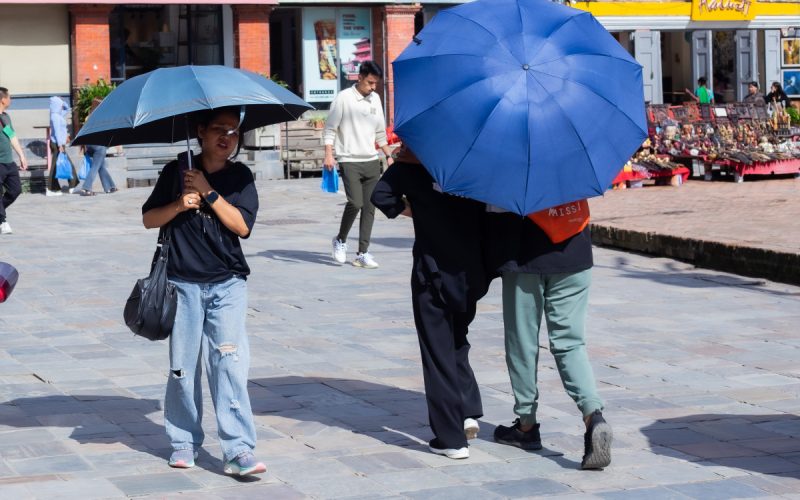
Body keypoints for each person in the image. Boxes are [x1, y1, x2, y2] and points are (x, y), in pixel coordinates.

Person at [141, 106, 265, 477]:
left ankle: (238, 449)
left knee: (229, 365)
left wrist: (208, 192)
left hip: (227, 284)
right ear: (200, 132)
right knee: (182, 368)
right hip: (181, 284)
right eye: (218, 129)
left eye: (233, 131)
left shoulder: (240, 176)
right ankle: (183, 441)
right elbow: (148, 218)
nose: (227, 137)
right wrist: (179, 203)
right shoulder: (176, 171)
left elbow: (242, 226)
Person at [371, 146, 486, 459]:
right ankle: (467, 411)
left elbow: (381, 195)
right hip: (471, 269)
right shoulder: (473, 158)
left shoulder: (413, 161)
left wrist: (414, 208)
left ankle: (451, 438)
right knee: (457, 338)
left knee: (437, 351)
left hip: (432, 270)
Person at [485, 207, 612, 470]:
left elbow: (493, 209)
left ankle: (526, 425)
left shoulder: (510, 178)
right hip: (574, 250)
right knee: (571, 343)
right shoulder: (574, 175)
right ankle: (593, 414)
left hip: (524, 255)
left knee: (522, 343)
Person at [324, 61, 394, 269]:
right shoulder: (343, 98)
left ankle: (362, 253)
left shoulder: (376, 99)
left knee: (370, 206)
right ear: (360, 77)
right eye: (370, 82)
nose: (373, 87)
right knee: (355, 202)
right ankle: (340, 239)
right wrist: (329, 155)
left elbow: (380, 133)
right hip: (349, 160)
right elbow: (330, 129)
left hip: (371, 160)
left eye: (376, 83)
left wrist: (388, 155)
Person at [0, 86, 28, 235]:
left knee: (15, 190)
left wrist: (21, 156)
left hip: (9, 162)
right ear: (3, 100)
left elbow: (12, 136)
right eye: (9, 97)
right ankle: (2, 221)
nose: (10, 99)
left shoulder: (5, 117)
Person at [78, 99, 118, 196]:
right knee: (95, 167)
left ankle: (110, 187)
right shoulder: (103, 117)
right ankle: (86, 188)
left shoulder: (89, 117)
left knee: (100, 166)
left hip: (89, 145)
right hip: (99, 145)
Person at [47, 95, 78, 196]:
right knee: (56, 167)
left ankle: (72, 185)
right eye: (59, 104)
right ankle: (51, 189)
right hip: (57, 144)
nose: (61, 106)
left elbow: (67, 109)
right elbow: (56, 132)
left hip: (59, 143)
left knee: (63, 165)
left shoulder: (58, 114)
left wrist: (62, 101)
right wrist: (60, 145)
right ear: (56, 105)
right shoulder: (55, 117)